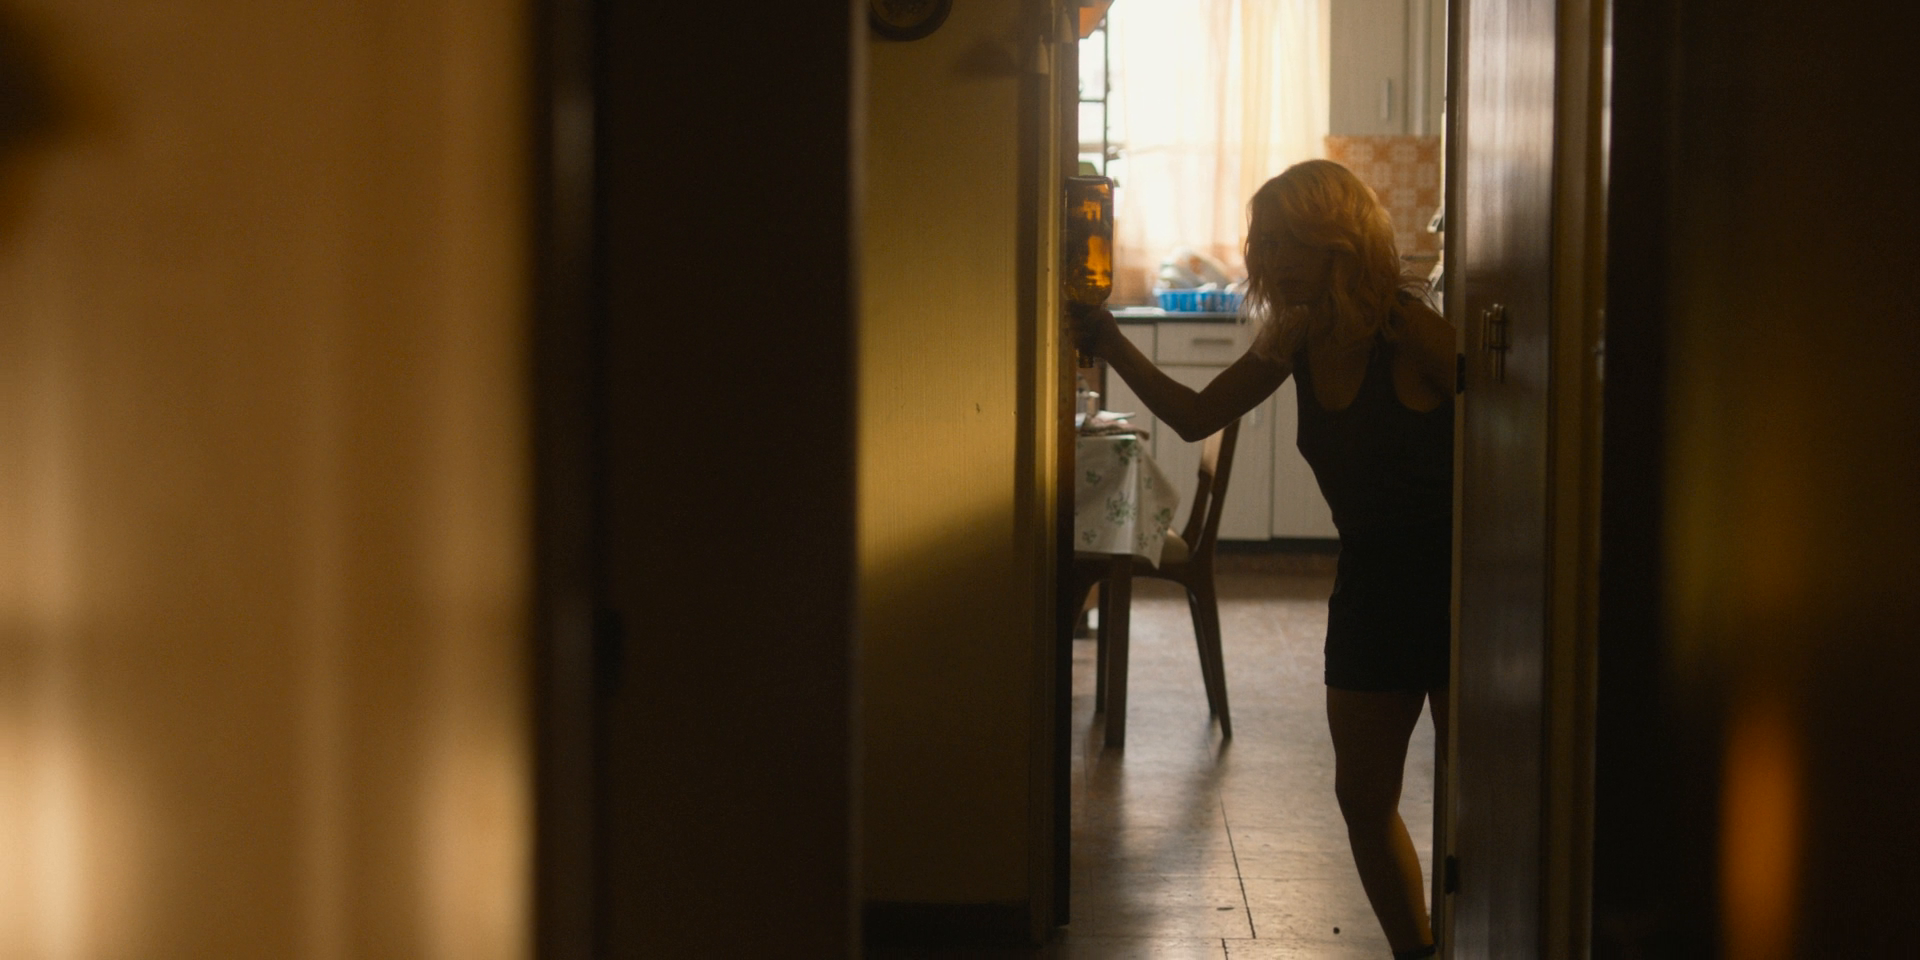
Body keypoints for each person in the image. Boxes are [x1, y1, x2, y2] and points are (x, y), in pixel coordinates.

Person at [1070, 159, 1454, 960]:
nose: (1268, 259)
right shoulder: (1296, 337)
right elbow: (1195, 415)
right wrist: (1110, 340)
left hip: (1460, 591)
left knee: (1481, 801)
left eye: (1287, 241)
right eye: (1263, 242)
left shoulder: (1411, 332)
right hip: (1371, 591)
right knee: (1362, 802)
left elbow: (1517, 428)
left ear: (1338, 241)